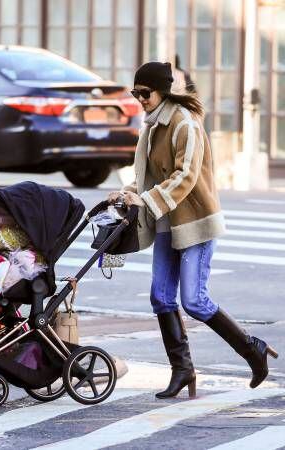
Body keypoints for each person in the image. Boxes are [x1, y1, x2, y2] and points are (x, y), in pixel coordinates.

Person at [108, 61, 278, 399]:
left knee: (195, 301)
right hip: (168, 223)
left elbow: (184, 176)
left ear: (162, 91)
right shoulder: (153, 126)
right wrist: (128, 192)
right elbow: (149, 177)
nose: (139, 99)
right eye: (136, 93)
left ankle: (252, 350)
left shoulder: (185, 124)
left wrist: (147, 200)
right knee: (160, 296)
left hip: (195, 224)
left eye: (145, 93)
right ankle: (182, 370)